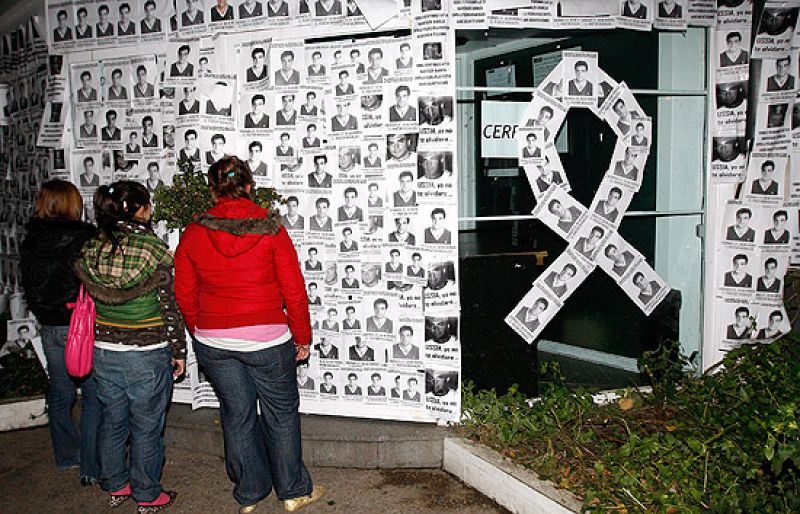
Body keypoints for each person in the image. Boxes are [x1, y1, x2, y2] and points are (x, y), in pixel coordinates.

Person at [174, 157, 325, 513]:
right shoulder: (271, 229)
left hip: (214, 341)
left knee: (237, 413)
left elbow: (183, 291)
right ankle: (292, 492)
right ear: (249, 186)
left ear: (212, 189)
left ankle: (249, 495)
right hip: (268, 342)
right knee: (282, 414)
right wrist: (303, 337)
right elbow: (294, 290)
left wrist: (201, 328)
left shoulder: (195, 232)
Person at [74, 181, 185, 511]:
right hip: (146, 353)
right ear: (137, 209)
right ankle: (148, 494)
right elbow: (169, 306)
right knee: (147, 428)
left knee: (113, 420)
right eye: (147, 203)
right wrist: (178, 350)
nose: (150, 209)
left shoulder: (93, 247)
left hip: (104, 350)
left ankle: (116, 484)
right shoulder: (151, 250)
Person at [20, 181, 100, 487]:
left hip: (50, 325)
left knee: (61, 392)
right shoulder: (84, 238)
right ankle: (92, 465)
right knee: (94, 396)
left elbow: (30, 286)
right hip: (80, 325)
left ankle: (67, 455)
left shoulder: (31, 240)